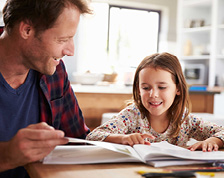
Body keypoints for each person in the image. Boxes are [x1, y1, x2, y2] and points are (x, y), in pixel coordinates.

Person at [0, 0, 92, 177]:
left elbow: (77, 139)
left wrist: (113, 141)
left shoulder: (55, 71)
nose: (70, 50)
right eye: (63, 39)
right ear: (27, 30)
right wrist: (6, 156)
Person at [87, 52, 224, 152]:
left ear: (178, 89)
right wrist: (123, 138)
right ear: (138, 89)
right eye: (146, 88)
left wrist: (213, 141)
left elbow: (221, 132)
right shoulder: (131, 116)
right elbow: (93, 136)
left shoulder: (185, 120)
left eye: (162, 87)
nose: (153, 94)